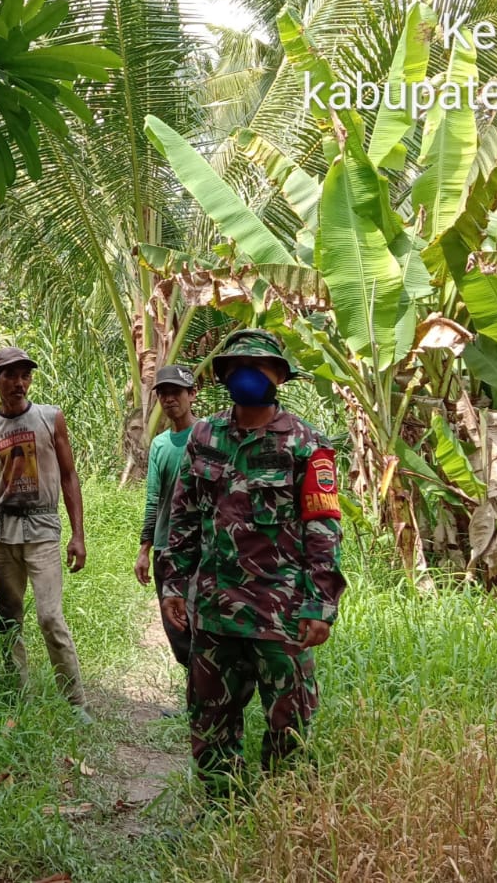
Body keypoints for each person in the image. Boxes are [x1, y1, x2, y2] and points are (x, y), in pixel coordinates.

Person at [160, 328, 345, 794]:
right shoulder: (204, 436)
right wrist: (173, 586)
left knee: (290, 725)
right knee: (211, 722)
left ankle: (279, 818)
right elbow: (182, 518)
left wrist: (320, 605)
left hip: (279, 617)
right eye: (238, 367)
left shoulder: (307, 445)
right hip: (215, 613)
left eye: (258, 367)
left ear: (279, 376)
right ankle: (221, 815)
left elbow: (322, 529)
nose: (248, 375)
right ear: (225, 376)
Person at [0, 345, 90, 720]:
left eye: (25, 374)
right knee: (8, 619)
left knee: (49, 617)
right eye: (10, 375)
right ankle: (16, 698)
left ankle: (75, 704)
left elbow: (69, 475)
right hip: (2, 533)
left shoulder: (49, 418)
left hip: (42, 529)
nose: (20, 382)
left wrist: (78, 534)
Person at [134, 364, 198, 674]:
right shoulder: (159, 445)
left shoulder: (206, 436)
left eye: (176, 392)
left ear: (192, 395)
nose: (169, 399)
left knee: (200, 621)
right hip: (165, 547)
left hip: (201, 547)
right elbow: (153, 500)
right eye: (163, 393)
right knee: (175, 626)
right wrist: (145, 549)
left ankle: (205, 700)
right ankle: (193, 694)